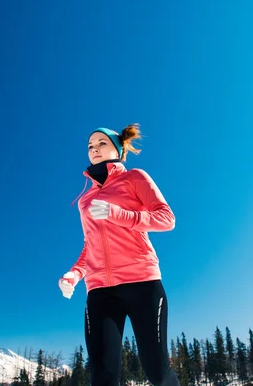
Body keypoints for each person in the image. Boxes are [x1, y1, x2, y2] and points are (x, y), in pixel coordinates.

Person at [58, 124, 180, 386]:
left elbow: (166, 219)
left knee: (157, 372)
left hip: (142, 282)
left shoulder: (135, 177)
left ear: (117, 148)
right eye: (90, 146)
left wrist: (118, 214)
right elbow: (90, 244)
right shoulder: (85, 200)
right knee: (102, 375)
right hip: (100, 290)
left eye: (101, 143)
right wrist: (75, 273)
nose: (94, 149)